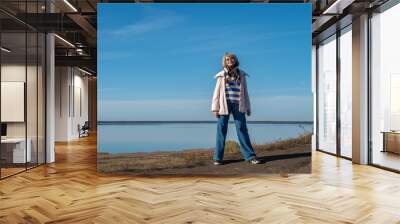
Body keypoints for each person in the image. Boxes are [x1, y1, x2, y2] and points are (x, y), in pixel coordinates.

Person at [211, 53, 261, 165]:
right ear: (225, 61)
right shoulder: (221, 75)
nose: (230, 60)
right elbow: (216, 93)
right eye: (227, 59)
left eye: (232, 58)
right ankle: (217, 158)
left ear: (235, 60)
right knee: (221, 130)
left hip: (239, 105)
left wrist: (248, 107)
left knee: (242, 129)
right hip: (224, 105)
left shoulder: (241, 74)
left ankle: (250, 157)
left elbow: (245, 92)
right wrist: (215, 108)